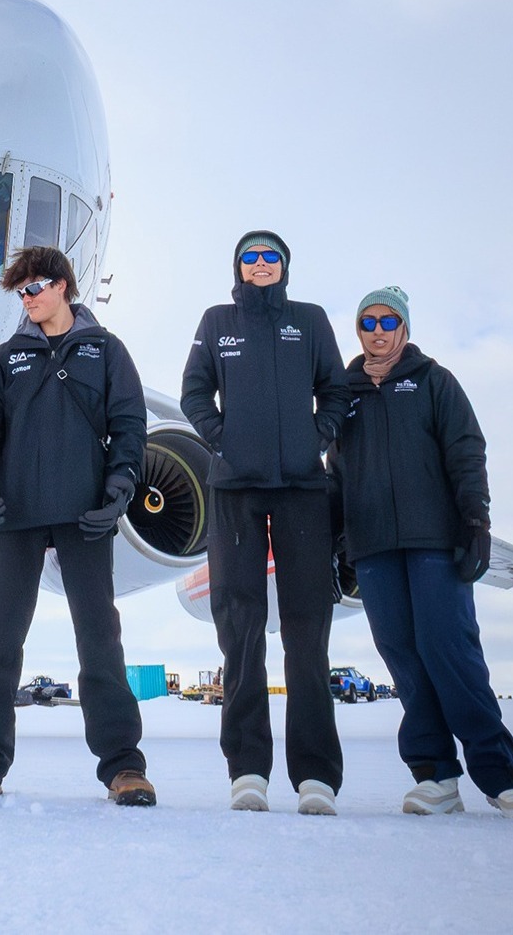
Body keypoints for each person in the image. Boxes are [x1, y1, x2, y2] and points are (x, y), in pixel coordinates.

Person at [0, 246, 154, 808]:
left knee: (99, 641)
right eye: (22, 293)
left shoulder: (106, 350)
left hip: (84, 514)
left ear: (63, 285)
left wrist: (119, 488)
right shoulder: (10, 355)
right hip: (15, 515)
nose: (29, 299)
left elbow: (129, 425)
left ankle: (122, 766)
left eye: (36, 287)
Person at [328, 285, 513, 818]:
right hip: (374, 547)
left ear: (404, 327)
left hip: (433, 541)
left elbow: (467, 451)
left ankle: (500, 775)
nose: (378, 331)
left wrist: (476, 521)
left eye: (387, 321)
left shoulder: (434, 382)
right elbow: (336, 473)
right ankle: (436, 776)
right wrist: (338, 540)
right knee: (402, 656)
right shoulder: (343, 395)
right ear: (359, 330)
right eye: (368, 322)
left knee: (450, 650)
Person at [181, 230, 350, 815]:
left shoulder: (310, 319)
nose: (260, 264)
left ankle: (316, 776)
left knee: (307, 629)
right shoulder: (217, 320)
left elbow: (336, 389)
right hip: (234, 490)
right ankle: (248, 770)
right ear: (238, 266)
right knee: (241, 629)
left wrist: (317, 436)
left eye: (270, 257)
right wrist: (221, 438)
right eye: (250, 257)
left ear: (284, 267)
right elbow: (194, 390)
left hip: (303, 487)